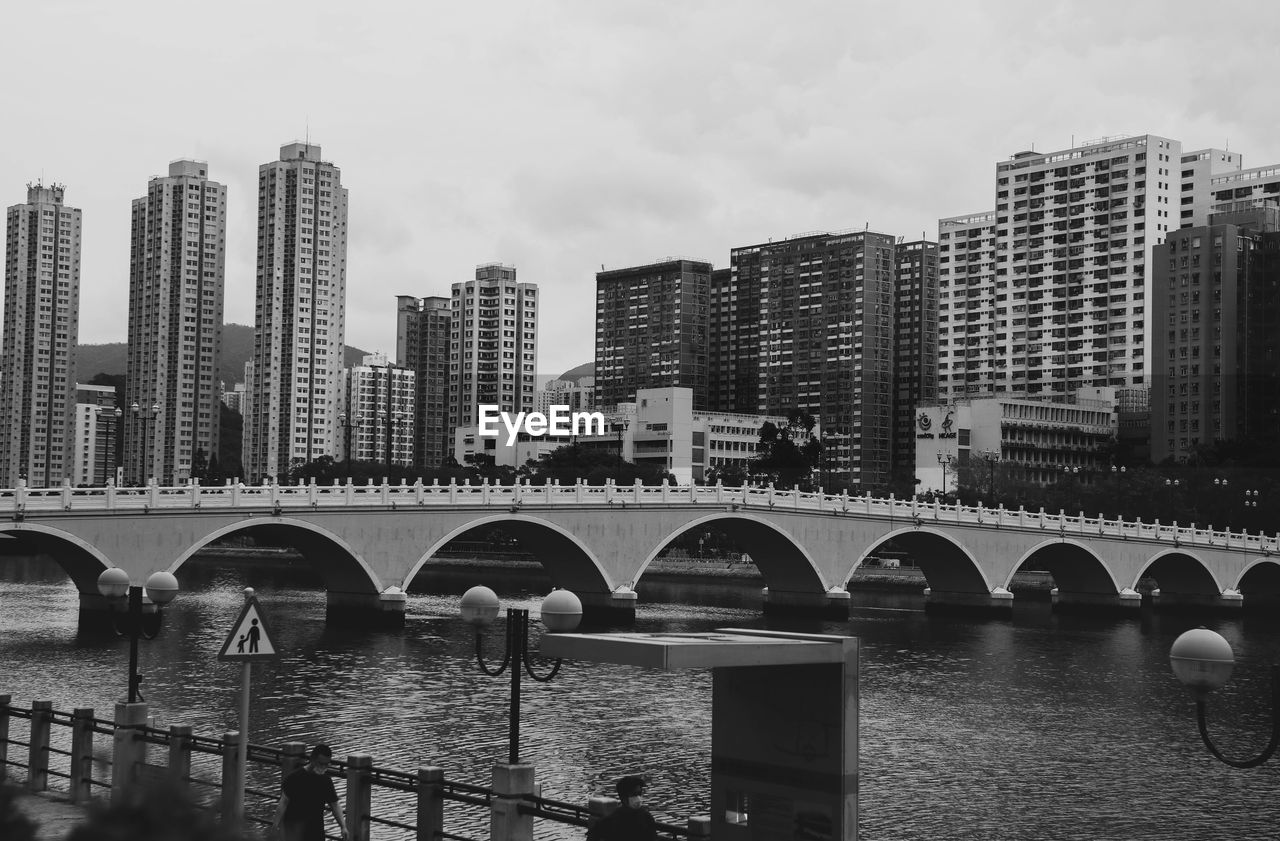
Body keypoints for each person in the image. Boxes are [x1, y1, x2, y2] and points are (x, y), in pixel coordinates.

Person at [273, 744, 347, 841]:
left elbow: (334, 804)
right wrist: (275, 826)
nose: (324, 767)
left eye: (326, 764)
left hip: (316, 832)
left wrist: (343, 826)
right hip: (295, 832)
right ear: (312, 760)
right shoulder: (294, 778)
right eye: (321, 764)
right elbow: (284, 802)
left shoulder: (325, 781)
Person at [586, 775, 656, 841]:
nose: (638, 798)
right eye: (634, 794)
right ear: (623, 797)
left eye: (639, 793)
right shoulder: (609, 822)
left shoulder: (647, 818)